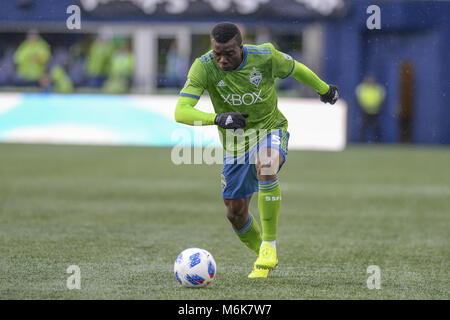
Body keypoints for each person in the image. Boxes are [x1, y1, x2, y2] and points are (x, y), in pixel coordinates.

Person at [174, 22, 338, 278]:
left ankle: (269, 247)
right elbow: (181, 111)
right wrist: (217, 118)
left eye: (229, 53)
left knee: (266, 164)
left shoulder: (265, 56)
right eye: (217, 53)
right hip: (236, 144)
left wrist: (324, 89)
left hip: (271, 128)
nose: (222, 59)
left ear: (241, 46)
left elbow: (297, 69)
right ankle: (263, 249)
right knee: (235, 213)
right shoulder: (203, 66)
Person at [355, 76, 386, 142]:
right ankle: (361, 142)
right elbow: (359, 99)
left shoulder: (378, 89)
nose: (370, 82)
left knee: (377, 128)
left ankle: (378, 142)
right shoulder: (361, 88)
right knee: (363, 128)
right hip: (365, 112)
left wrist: (376, 106)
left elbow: (381, 99)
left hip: (375, 112)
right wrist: (365, 106)